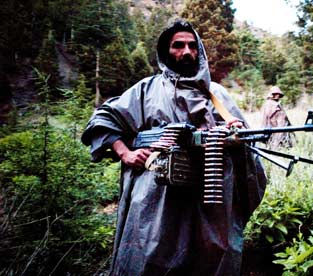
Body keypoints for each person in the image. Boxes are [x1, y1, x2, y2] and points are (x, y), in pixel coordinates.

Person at [81, 19, 266, 275]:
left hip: (208, 201)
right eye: (178, 45)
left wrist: (234, 133)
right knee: (150, 257)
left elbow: (247, 145)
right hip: (156, 200)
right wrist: (126, 153)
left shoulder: (218, 95)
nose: (187, 52)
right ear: (165, 51)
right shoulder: (146, 90)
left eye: (192, 46)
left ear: (199, 50)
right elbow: (103, 120)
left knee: (209, 259)